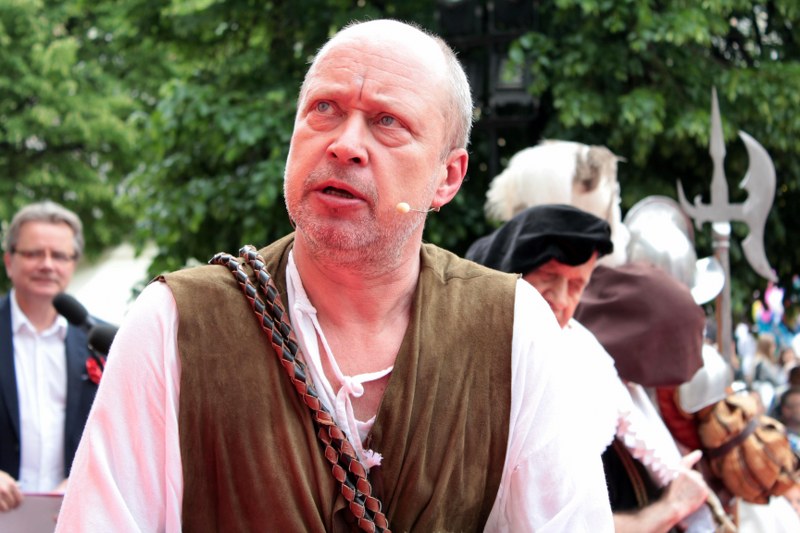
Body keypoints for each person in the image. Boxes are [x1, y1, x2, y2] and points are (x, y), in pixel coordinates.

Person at [55, 19, 613, 531]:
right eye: (324, 109)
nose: (345, 145)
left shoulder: (513, 327)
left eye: (388, 122)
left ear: (448, 176)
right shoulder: (175, 322)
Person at [466, 204, 713, 533]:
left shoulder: (582, 346)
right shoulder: (480, 366)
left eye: (576, 285)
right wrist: (666, 511)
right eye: (548, 278)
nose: (561, 300)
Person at [0, 201, 98, 511]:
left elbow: (121, 436)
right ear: (9, 261)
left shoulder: (99, 341)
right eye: (33, 253)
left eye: (58, 255)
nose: (47, 264)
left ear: (73, 264)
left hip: (71, 518)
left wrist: (86, 479)